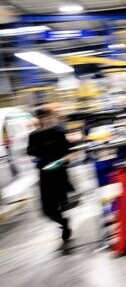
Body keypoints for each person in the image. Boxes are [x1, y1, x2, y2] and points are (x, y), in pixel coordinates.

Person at [27, 105, 73, 247]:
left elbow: (69, 152)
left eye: (47, 116)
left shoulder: (59, 132)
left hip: (59, 174)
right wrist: (35, 159)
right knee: (47, 210)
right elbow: (30, 153)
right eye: (42, 117)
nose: (45, 119)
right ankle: (63, 222)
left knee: (61, 204)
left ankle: (65, 228)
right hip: (45, 175)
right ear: (38, 119)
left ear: (51, 117)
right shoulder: (33, 136)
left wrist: (62, 161)